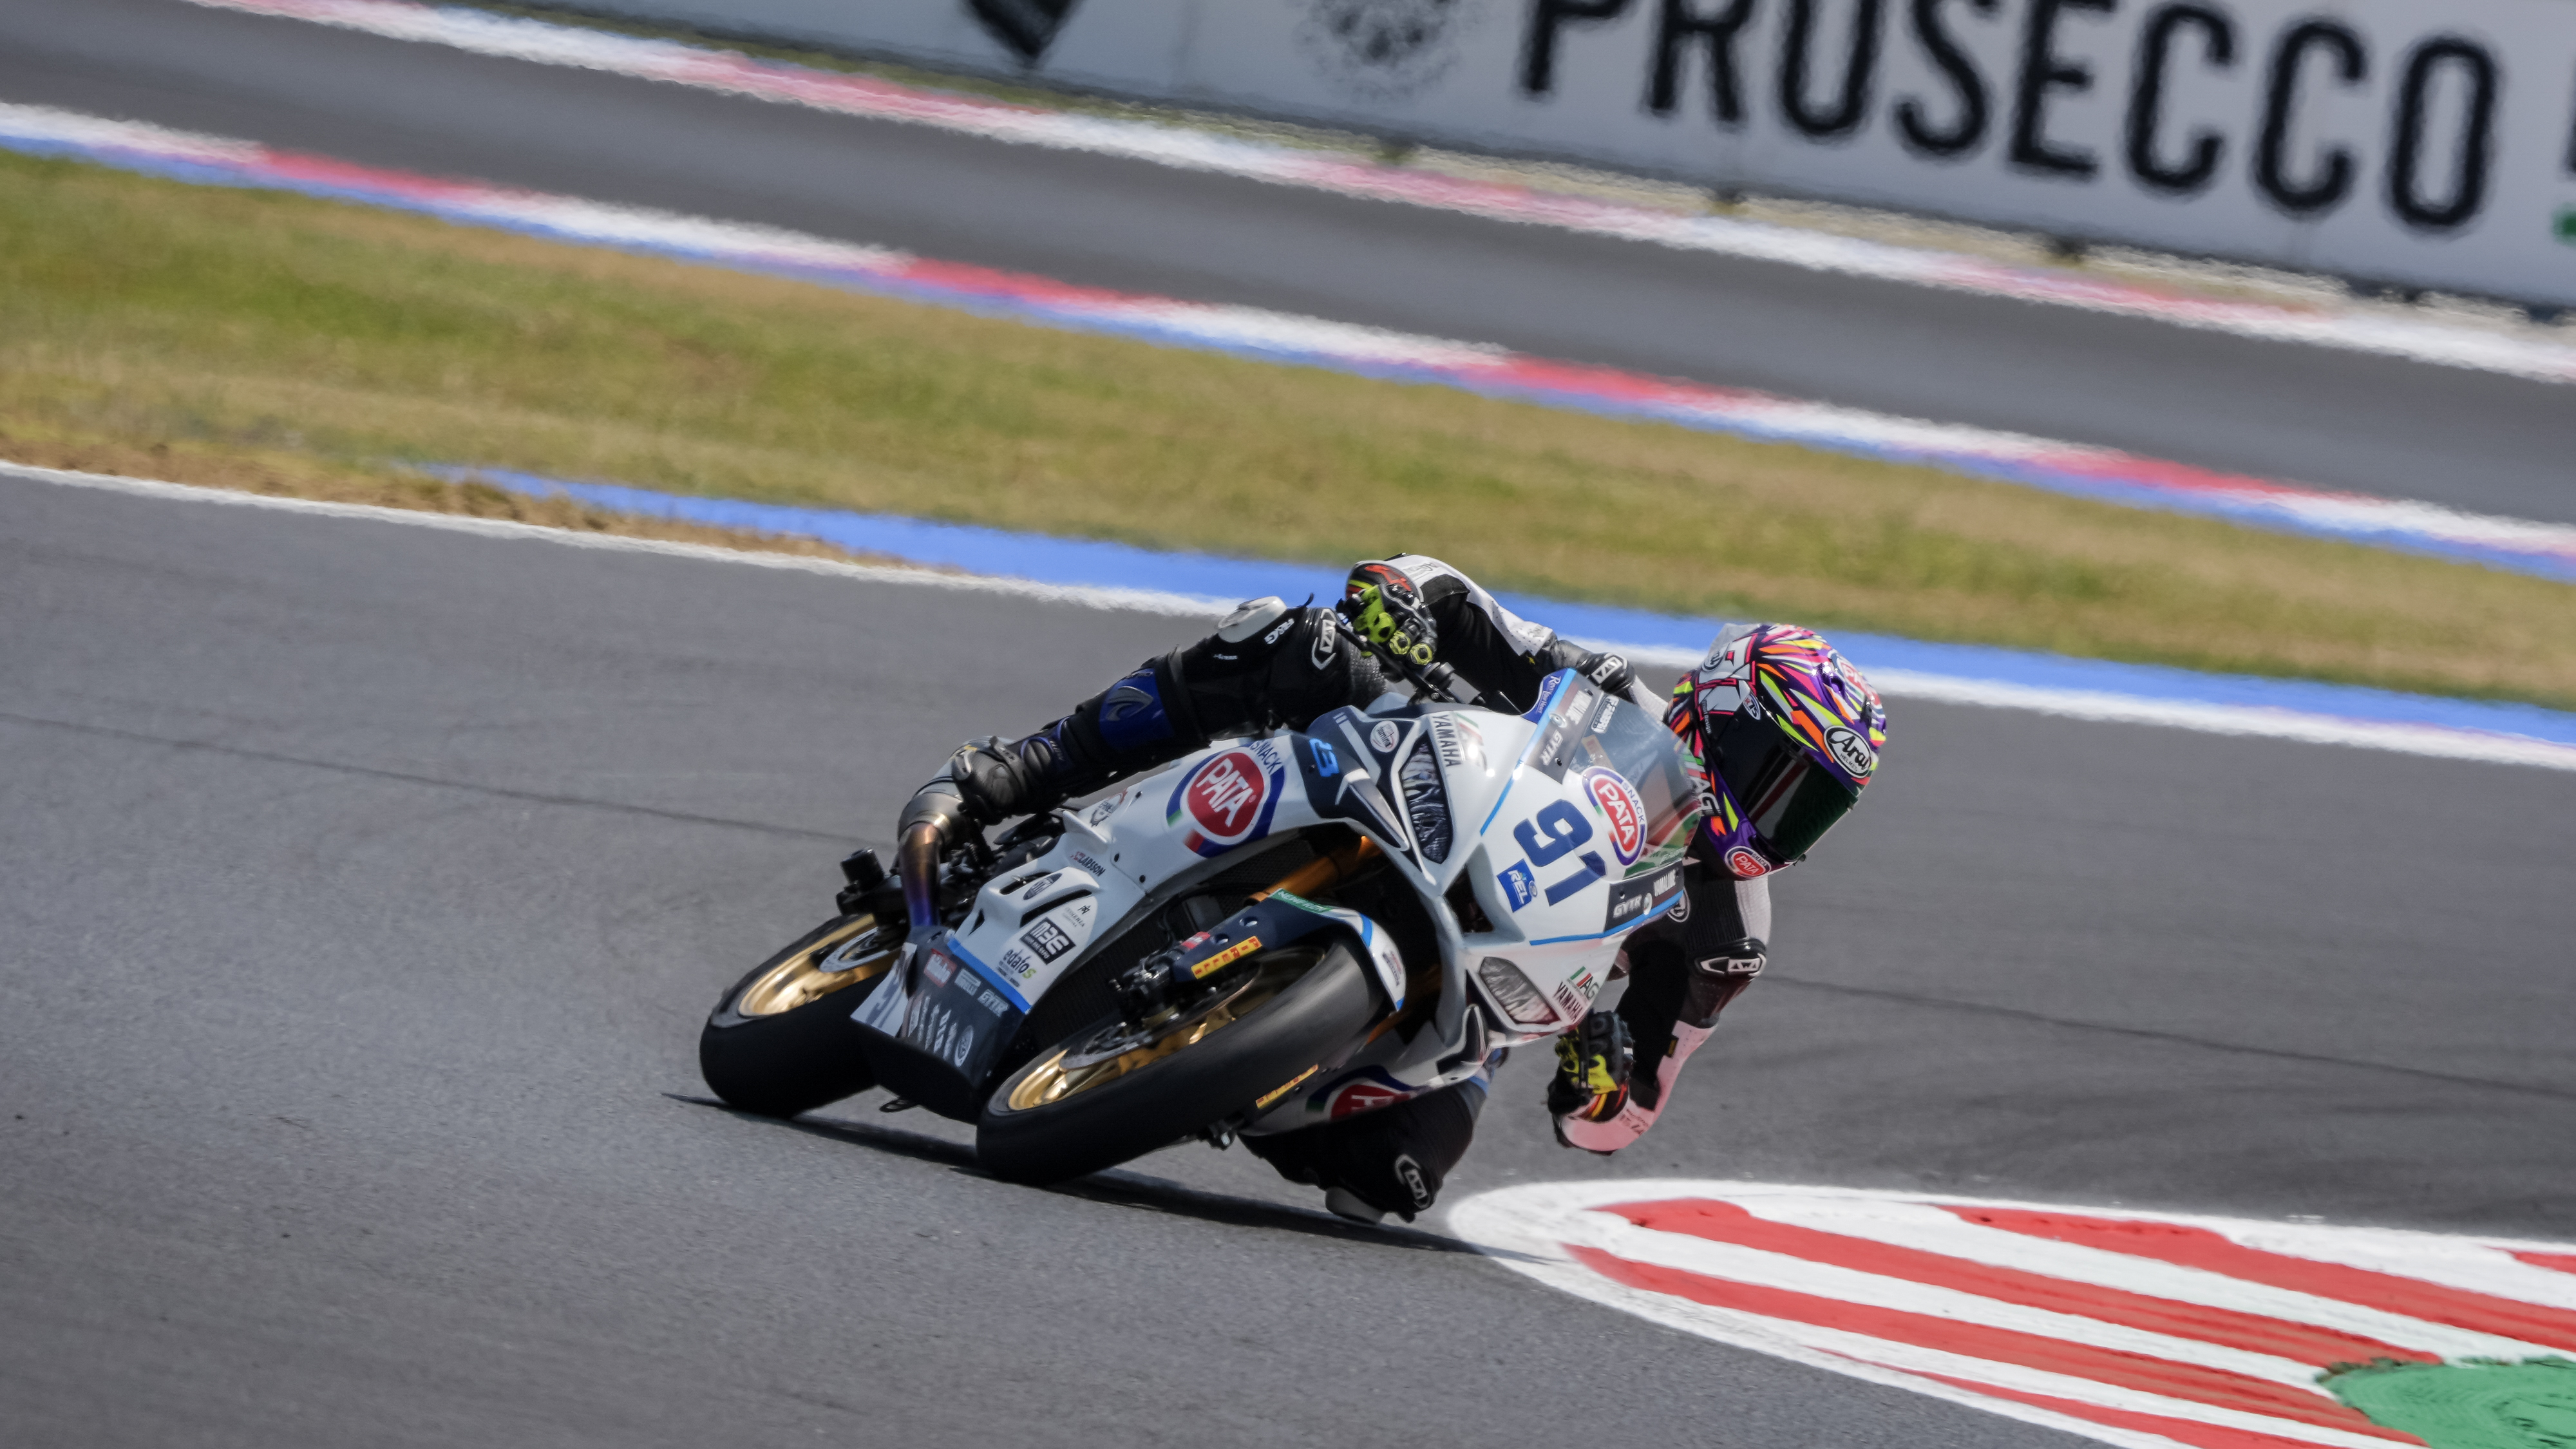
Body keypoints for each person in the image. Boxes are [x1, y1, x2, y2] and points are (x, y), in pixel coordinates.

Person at [900, 556, 1888, 1222]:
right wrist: (1396, 598)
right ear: (1719, 709)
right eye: (1775, 776)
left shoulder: (1726, 937)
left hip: (1483, 996)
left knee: (1398, 1180)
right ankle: (1027, 766)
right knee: (1298, 641)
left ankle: (1222, 1068)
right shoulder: (1602, 688)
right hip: (1408, 792)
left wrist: (1596, 1077)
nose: (1779, 820)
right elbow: (1451, 596)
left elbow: (1624, 1114)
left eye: (1812, 809)